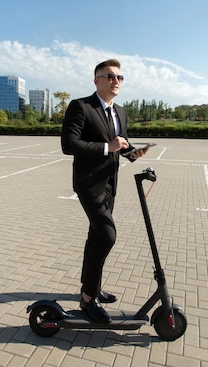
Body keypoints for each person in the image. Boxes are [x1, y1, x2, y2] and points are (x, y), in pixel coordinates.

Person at [61, 59, 150, 323]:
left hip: (111, 183)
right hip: (89, 183)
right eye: (110, 76)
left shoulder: (120, 112)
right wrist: (106, 148)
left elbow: (120, 145)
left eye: (119, 77)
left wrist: (133, 153)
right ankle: (88, 300)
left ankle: (92, 287)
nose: (116, 81)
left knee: (95, 236)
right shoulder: (81, 107)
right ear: (96, 80)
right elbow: (69, 144)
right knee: (107, 235)